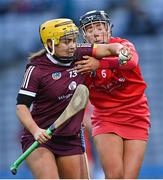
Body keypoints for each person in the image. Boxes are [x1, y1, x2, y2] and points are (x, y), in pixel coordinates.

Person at [16, 18, 131, 179]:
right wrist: (36, 131)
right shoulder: (36, 69)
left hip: (70, 138)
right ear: (50, 44)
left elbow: (110, 48)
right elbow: (21, 106)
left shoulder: (79, 52)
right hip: (41, 138)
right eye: (65, 42)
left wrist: (121, 51)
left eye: (73, 40)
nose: (72, 45)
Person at [75, 10, 151, 179]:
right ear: (84, 35)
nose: (95, 33)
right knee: (114, 176)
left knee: (129, 177)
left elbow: (131, 61)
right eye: (90, 29)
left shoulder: (123, 44)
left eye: (99, 27)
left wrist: (99, 64)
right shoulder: (81, 60)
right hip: (106, 118)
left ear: (108, 29)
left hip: (136, 115)